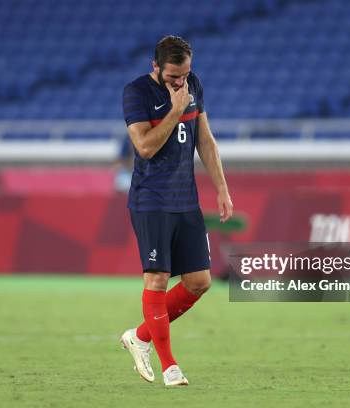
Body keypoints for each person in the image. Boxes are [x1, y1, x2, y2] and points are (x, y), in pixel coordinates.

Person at [120, 35, 233, 386]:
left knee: (199, 282)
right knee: (156, 279)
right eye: (172, 77)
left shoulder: (193, 85)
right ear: (155, 68)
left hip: (186, 199)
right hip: (151, 200)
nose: (180, 82)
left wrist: (222, 188)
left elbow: (205, 140)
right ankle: (170, 366)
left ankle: (139, 337)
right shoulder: (136, 93)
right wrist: (174, 109)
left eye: (184, 75)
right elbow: (145, 147)